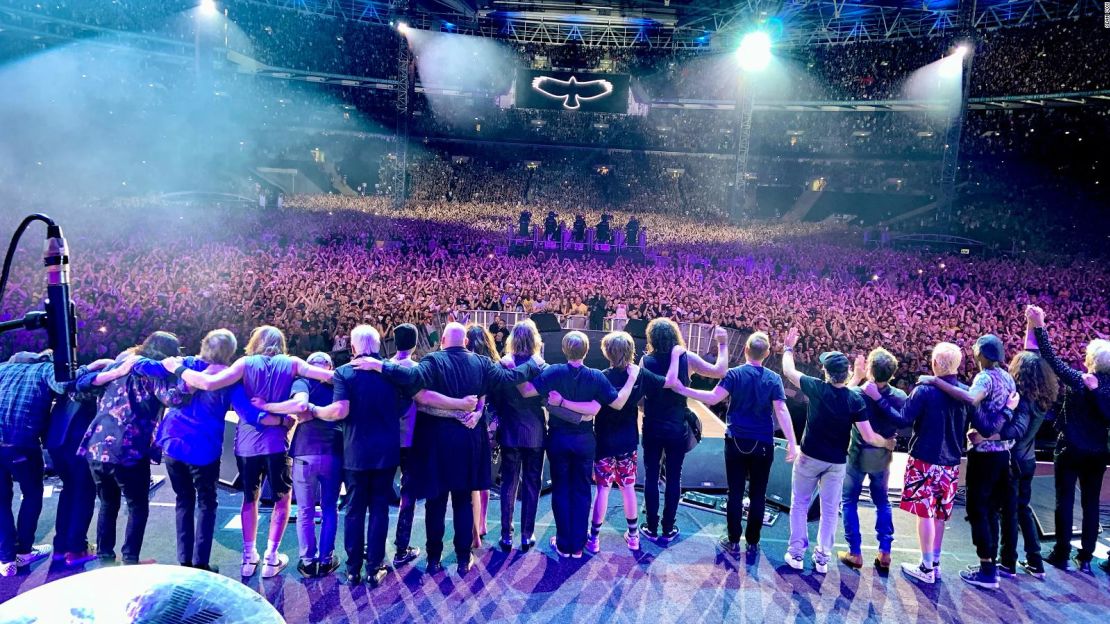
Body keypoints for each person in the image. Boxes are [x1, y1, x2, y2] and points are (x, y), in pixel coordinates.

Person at [356, 322, 543, 575]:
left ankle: (434, 559)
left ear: (442, 339)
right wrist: (533, 362)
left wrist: (380, 365)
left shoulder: (432, 361)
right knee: (463, 501)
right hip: (468, 443)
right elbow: (512, 378)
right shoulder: (481, 363)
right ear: (465, 341)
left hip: (435, 443)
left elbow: (409, 378)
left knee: (436, 502)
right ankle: (464, 558)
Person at [299, 325, 477, 586]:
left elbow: (339, 411)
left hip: (355, 452)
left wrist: (313, 410)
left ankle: (352, 568)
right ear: (380, 344)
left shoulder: (345, 373)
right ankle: (374, 567)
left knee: (354, 509)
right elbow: (406, 403)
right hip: (386, 452)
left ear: (352, 347)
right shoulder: (393, 375)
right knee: (380, 509)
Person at [163, 325, 335, 579]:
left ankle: (248, 557)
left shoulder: (244, 363)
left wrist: (176, 368)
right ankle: (271, 558)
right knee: (281, 500)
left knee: (249, 500)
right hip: (276, 444)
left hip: (246, 445)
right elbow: (326, 376)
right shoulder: (292, 363)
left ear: (255, 341)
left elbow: (209, 384)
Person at [670, 331, 798, 563]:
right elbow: (781, 410)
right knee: (759, 494)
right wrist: (792, 442)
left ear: (746, 350)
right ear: (767, 353)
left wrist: (683, 389)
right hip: (763, 444)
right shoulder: (773, 378)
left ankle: (732, 538)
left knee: (735, 492)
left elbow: (712, 398)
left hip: (736, 441)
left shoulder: (734, 374)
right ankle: (753, 541)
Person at [516, 331, 640, 558]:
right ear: (587, 351)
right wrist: (632, 378)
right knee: (582, 491)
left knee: (561, 490)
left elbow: (525, 391)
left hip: (558, 440)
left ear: (564, 350)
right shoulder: (596, 377)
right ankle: (578, 547)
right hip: (585, 441)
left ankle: (564, 545)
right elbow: (618, 403)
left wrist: (520, 365)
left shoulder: (553, 372)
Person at [780, 327, 889, 573]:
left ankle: (796, 554)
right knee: (830, 510)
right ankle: (822, 559)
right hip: (836, 463)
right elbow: (869, 435)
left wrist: (788, 347)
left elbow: (788, 370)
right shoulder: (854, 399)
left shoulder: (817, 388)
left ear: (825, 372)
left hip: (809, 458)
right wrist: (886, 442)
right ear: (847, 372)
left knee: (799, 503)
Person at [920, 334, 1020, 589]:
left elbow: (969, 399)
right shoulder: (1007, 377)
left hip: (984, 454)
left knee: (978, 510)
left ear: (982, 355)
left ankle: (987, 571)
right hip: (1002, 453)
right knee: (993, 511)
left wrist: (935, 381)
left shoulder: (985, 377)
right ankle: (991, 565)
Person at [79, 331, 181, 566]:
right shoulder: (152, 373)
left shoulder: (118, 366)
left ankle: (105, 558)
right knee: (137, 505)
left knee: (107, 502)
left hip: (97, 446)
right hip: (128, 449)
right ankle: (130, 560)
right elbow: (174, 399)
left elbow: (79, 389)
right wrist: (183, 374)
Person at [140, 329, 238, 572]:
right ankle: (200, 562)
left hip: (173, 443)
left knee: (183, 500)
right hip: (203, 449)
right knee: (206, 502)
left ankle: (184, 559)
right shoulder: (230, 377)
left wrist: (136, 360)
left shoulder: (187, 363)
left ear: (204, 345)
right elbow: (247, 410)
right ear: (230, 352)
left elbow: (148, 368)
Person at [0, 351, 103, 576]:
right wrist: (91, 367)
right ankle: (24, 551)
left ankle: (6, 559)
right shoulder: (43, 369)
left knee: (1, 501)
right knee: (32, 494)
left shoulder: (2, 369)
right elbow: (67, 382)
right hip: (21, 443)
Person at [1027, 305, 1110, 574]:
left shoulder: (1079, 379)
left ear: (1090, 360)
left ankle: (1061, 552)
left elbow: (1051, 358)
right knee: (1091, 502)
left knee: (1064, 500)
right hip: (1097, 452)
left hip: (1069, 449)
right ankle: (1086, 556)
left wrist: (1038, 324)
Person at [639, 319, 728, 545]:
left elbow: (641, 397)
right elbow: (720, 371)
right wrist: (723, 344)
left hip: (652, 424)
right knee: (673, 477)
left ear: (652, 338)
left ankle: (650, 526)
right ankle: (668, 528)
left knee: (651, 476)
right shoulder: (686, 359)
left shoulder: (645, 360)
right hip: (676, 425)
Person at [260, 351, 341, 578]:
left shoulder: (302, 382)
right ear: (329, 365)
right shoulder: (339, 385)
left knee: (305, 510)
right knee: (329, 508)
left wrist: (268, 406)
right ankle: (326, 560)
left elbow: (299, 406)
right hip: (333, 452)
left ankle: (307, 561)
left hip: (305, 453)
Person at [589, 332, 672, 554]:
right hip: (627, 441)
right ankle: (634, 537)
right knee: (628, 489)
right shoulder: (640, 374)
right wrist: (676, 357)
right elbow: (670, 382)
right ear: (631, 351)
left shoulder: (601, 376)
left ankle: (594, 539)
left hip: (605, 441)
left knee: (602, 490)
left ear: (607, 352)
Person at [898, 342, 972, 584]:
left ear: (935, 364)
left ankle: (926, 567)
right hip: (951, 462)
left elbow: (903, 419)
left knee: (926, 514)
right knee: (939, 514)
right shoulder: (965, 392)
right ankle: (935, 563)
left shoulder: (924, 390)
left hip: (924, 460)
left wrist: (879, 399)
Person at [838, 348, 909, 572]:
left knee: (849, 501)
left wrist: (856, 377)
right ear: (892, 374)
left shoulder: (858, 394)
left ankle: (855, 552)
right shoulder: (899, 397)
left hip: (858, 454)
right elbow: (904, 423)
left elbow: (841, 400)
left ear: (870, 369)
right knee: (882, 501)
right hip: (881, 456)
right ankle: (885, 551)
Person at [999, 327, 1059, 580]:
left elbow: (1015, 431)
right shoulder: (1041, 399)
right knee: (1022, 509)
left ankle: (1008, 562)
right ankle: (1035, 560)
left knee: (1009, 513)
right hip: (1029, 460)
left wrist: (1002, 421)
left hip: (1015, 461)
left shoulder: (1022, 402)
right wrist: (1031, 326)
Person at [491, 320, 547, 553]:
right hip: (534, 433)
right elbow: (546, 399)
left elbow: (495, 400)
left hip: (510, 433)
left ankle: (506, 535)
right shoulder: (541, 366)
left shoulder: (503, 365)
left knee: (508, 485)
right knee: (532, 485)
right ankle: (527, 534)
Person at [464, 325, 501, 548]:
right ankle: (483, 521)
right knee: (485, 473)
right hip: (492, 424)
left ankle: (473, 525)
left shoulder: (469, 365)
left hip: (472, 422)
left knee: (471, 476)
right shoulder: (494, 365)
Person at [390, 324, 422, 567]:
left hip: (385, 439)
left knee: (379, 493)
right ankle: (402, 547)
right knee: (408, 494)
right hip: (411, 439)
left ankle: (375, 547)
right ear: (415, 343)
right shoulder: (417, 370)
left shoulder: (383, 368)